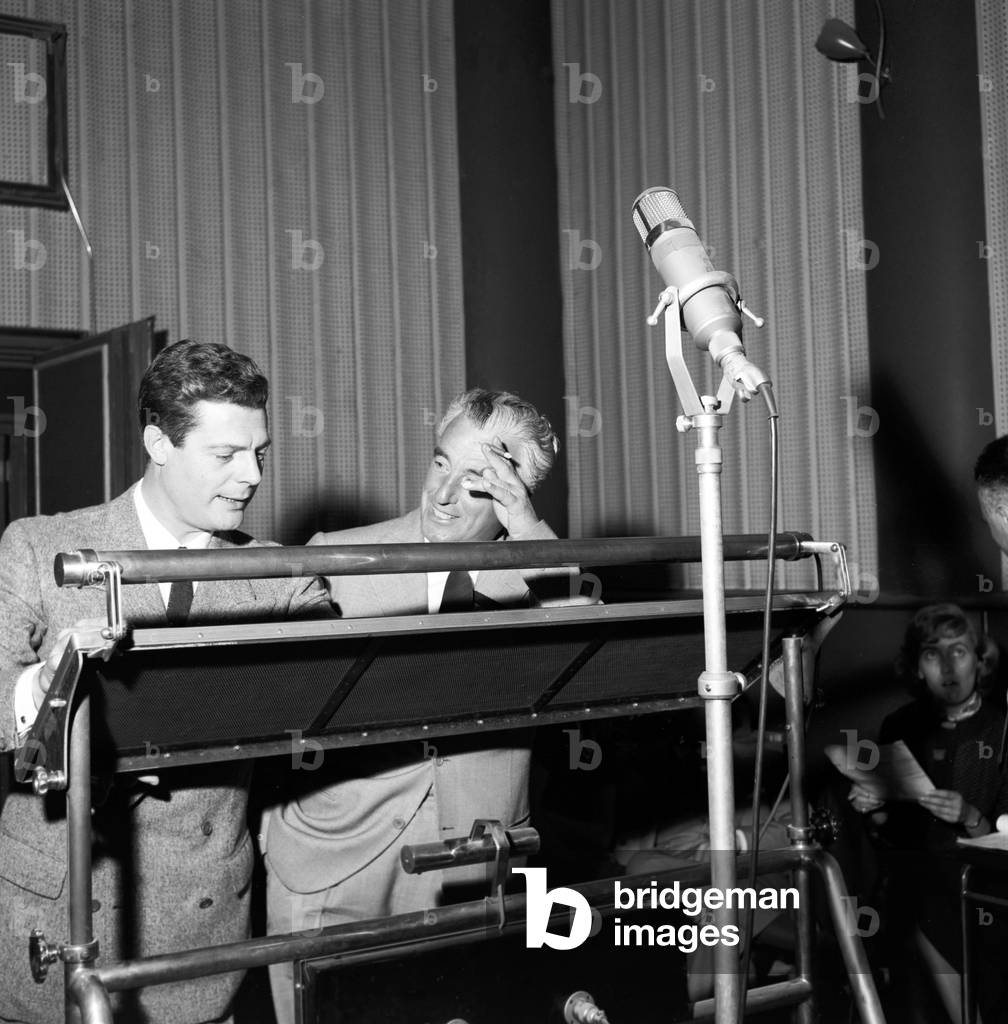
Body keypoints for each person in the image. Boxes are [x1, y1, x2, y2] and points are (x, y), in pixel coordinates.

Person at [0, 341, 331, 1024]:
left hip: (201, 933)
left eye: (259, 453)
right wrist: (50, 680)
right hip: (59, 918)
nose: (252, 476)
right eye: (225, 455)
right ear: (158, 442)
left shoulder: (282, 575)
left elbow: (332, 687)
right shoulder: (37, 548)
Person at [263, 388, 577, 1024]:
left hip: (472, 859)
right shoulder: (338, 555)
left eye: (476, 480)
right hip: (335, 856)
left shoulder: (542, 574)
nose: (442, 494)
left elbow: (582, 665)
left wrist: (529, 537)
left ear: (516, 494)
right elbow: (269, 700)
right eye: (440, 464)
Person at [845, 603, 1008, 1024]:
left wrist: (970, 814)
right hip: (917, 878)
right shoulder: (902, 724)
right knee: (909, 891)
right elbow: (888, 833)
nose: (949, 666)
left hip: (984, 882)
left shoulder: (1002, 729)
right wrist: (874, 806)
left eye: (960, 650)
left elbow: (1003, 837)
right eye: (934, 654)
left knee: (920, 899)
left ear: (980, 659)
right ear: (918, 667)